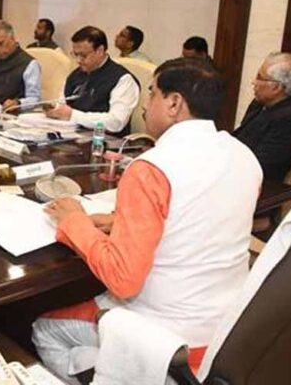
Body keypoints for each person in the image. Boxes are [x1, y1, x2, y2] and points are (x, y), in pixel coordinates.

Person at [33, 58, 263, 382]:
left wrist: (74, 221)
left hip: (165, 326)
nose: (145, 105)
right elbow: (199, 217)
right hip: (227, 324)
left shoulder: (152, 167)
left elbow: (123, 279)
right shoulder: (244, 156)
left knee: (43, 329)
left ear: (174, 103)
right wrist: (120, 221)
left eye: (152, 93)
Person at [45, 26, 139, 136]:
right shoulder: (75, 75)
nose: (78, 60)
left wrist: (73, 115)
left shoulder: (123, 79)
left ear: (100, 51)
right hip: (71, 136)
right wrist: (55, 110)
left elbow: (116, 122)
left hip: (106, 141)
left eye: (83, 55)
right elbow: (62, 103)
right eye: (75, 54)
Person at [233, 52, 291, 181]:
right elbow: (240, 135)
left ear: (276, 87)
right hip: (235, 164)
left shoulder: (290, 121)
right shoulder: (260, 103)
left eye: (259, 77)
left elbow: (263, 166)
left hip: (252, 180)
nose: (253, 82)